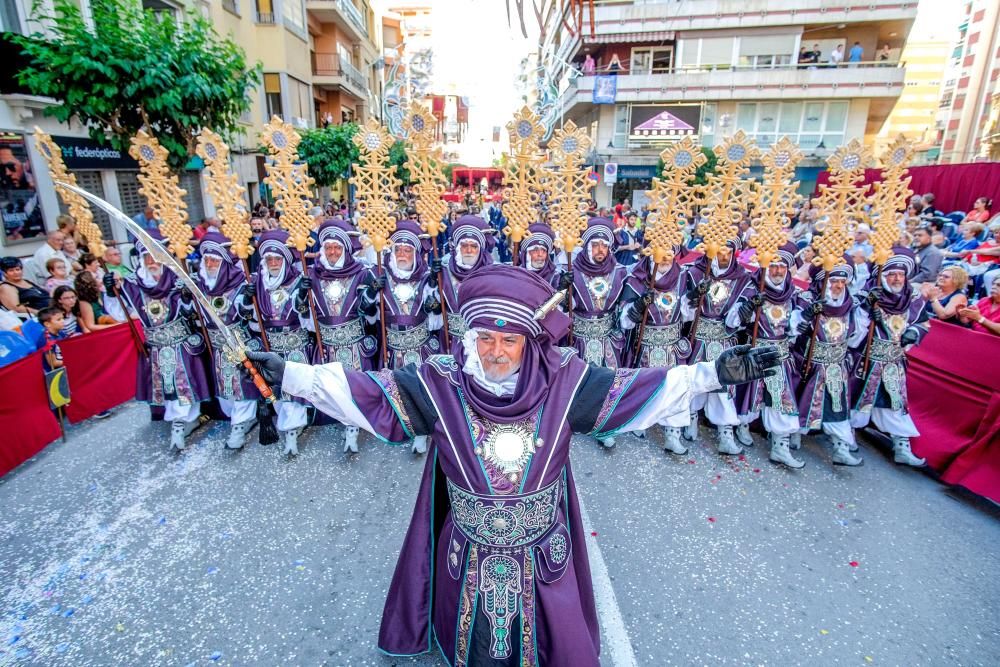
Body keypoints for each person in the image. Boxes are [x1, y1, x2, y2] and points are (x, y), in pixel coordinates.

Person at [245, 264, 780, 667]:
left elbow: (639, 391)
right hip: (467, 552)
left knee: (547, 645)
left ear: (531, 340)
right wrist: (291, 375)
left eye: (509, 340)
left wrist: (711, 374)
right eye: (485, 338)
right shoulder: (440, 382)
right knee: (476, 647)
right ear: (469, 338)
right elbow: (366, 394)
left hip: (542, 553)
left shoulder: (568, 382)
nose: (496, 351)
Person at [111, 230, 212, 450]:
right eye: (146, 256)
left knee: (186, 382)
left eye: (155, 255)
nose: (151, 261)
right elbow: (122, 298)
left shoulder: (178, 278)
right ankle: (177, 420)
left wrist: (187, 297)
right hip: (156, 347)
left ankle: (186, 419)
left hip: (181, 342)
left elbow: (194, 308)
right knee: (167, 385)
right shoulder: (135, 282)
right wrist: (113, 287)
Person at [304, 218, 378, 453]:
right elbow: (305, 315)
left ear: (346, 249)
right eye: (328, 247)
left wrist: (371, 296)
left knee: (353, 385)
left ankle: (353, 427)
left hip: (354, 343)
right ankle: (340, 419)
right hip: (327, 344)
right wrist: (300, 296)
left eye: (337, 247)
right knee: (332, 387)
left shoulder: (362, 273)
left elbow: (371, 314)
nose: (333, 252)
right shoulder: (312, 275)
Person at [850, 248, 928, 467]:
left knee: (895, 402)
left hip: (894, 360)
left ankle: (901, 445)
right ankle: (846, 438)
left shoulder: (912, 297)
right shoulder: (869, 293)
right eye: (891, 274)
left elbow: (923, 323)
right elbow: (851, 323)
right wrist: (866, 310)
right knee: (857, 399)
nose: (896, 279)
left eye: (900, 275)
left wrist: (913, 333)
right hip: (866, 357)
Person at [372, 219, 443, 454]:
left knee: (420, 390)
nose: (402, 254)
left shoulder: (426, 278)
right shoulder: (381, 276)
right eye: (398, 250)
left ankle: (421, 433)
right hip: (393, 346)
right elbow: (368, 314)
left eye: (407, 250)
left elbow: (436, 316)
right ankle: (399, 426)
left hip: (419, 345)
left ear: (415, 253)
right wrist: (372, 291)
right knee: (395, 389)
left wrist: (434, 297)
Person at [681, 239, 756, 455]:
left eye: (728, 251)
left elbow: (737, 319)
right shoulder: (694, 272)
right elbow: (684, 311)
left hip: (724, 339)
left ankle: (725, 432)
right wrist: (694, 296)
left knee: (724, 388)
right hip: (699, 337)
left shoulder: (742, 278)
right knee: (694, 381)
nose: (723, 256)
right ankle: (690, 419)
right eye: (719, 251)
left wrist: (747, 308)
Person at [735, 243, 805, 468]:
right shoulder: (751, 287)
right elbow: (734, 321)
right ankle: (741, 425)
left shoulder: (794, 294)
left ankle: (780, 445)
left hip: (779, 355)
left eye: (781, 267)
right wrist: (745, 311)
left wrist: (800, 326)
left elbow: (795, 326)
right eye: (772, 266)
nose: (776, 271)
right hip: (755, 350)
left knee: (779, 399)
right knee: (750, 394)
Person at [619, 242, 691, 454]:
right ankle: (641, 422)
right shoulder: (637, 279)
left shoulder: (684, 278)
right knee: (646, 386)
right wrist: (638, 306)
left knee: (676, 387)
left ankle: (673, 433)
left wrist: (695, 299)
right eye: (662, 249)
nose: (666, 256)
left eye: (671, 251)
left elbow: (688, 314)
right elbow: (625, 322)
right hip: (646, 344)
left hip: (672, 345)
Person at [795, 259, 868, 466]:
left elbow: (855, 338)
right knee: (802, 399)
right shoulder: (806, 298)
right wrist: (805, 317)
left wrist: (869, 316)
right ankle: (791, 436)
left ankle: (841, 446)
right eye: (833, 280)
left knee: (837, 404)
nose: (837, 286)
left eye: (842, 281)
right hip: (808, 361)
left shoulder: (852, 304)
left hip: (837, 365)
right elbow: (792, 330)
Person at [246, 229, 312, 455]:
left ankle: (293, 429)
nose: (273, 263)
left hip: (296, 344)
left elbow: (308, 319)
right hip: (271, 346)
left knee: (296, 387)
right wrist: (247, 299)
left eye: (278, 258)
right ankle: (288, 425)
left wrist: (304, 299)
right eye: (269, 259)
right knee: (278, 391)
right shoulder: (258, 283)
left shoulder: (298, 281)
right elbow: (252, 321)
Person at [193, 231, 261, 450]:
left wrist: (249, 302)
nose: (211, 263)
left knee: (242, 385)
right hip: (217, 347)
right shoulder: (199, 285)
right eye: (207, 259)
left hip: (240, 345)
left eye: (215, 259)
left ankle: (242, 423)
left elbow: (251, 316)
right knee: (226, 387)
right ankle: (236, 419)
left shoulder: (240, 282)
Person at [439, 215, 495, 344]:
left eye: (474, 246)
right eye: (464, 246)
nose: (469, 250)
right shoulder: (444, 268)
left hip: (482, 341)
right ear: (458, 247)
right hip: (450, 341)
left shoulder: (493, 270)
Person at [519, 222, 563, 288]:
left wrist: (562, 289)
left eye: (544, 250)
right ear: (526, 253)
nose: (540, 254)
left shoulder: (555, 276)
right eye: (535, 250)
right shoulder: (517, 273)